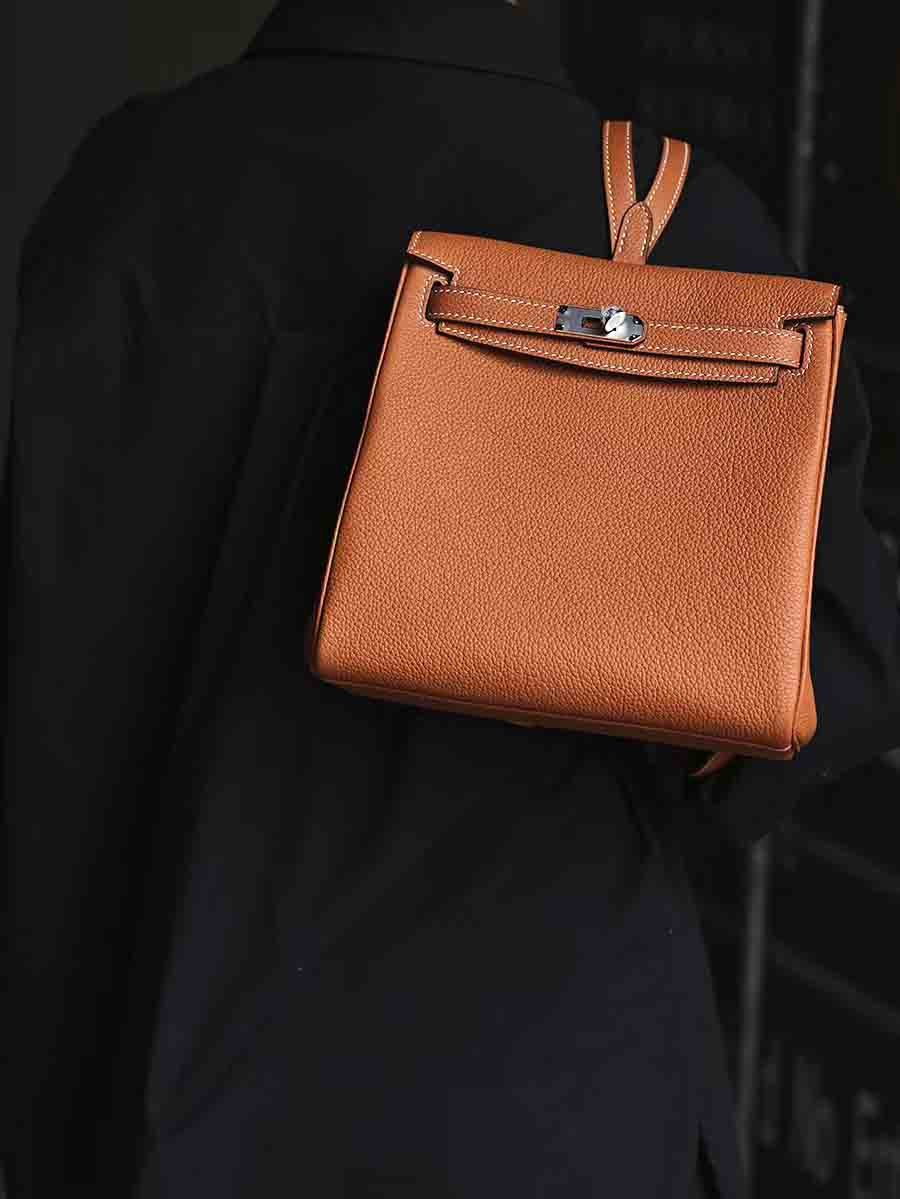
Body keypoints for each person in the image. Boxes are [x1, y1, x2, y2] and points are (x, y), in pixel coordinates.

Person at [5, 2, 899, 1196]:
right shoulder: (677, 231)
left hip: (151, 1052)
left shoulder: (134, 183)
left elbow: (50, 634)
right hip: (544, 1080)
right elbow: (837, 665)